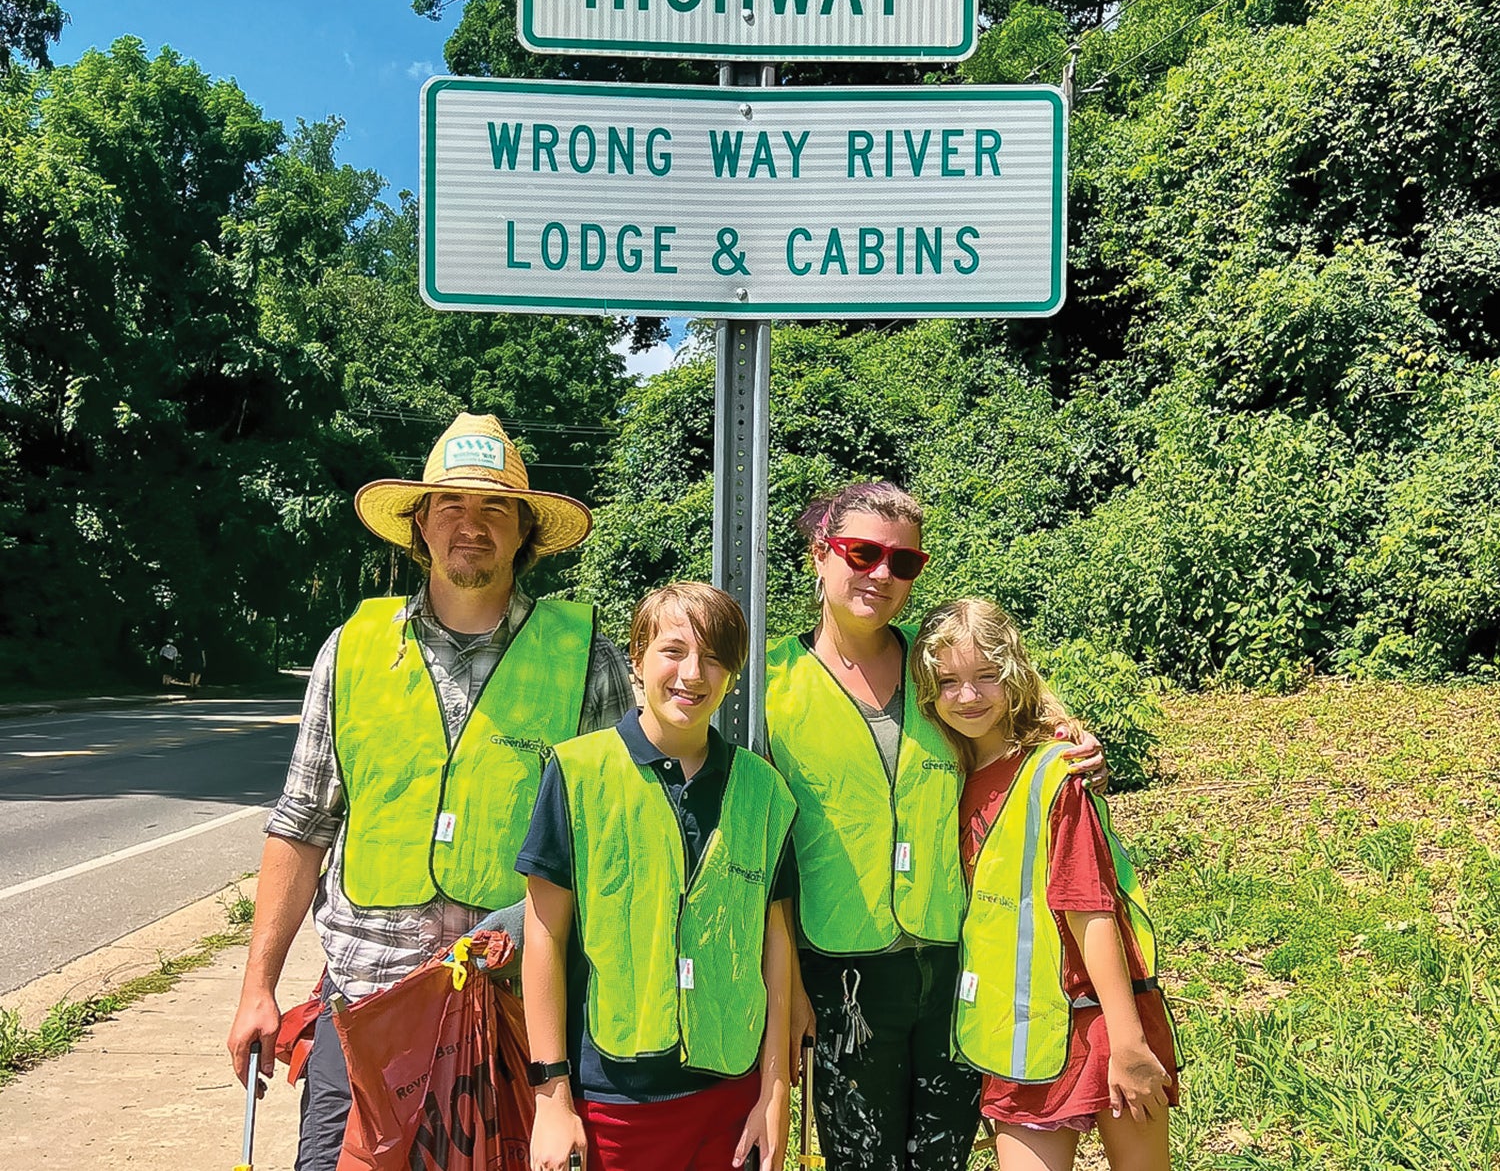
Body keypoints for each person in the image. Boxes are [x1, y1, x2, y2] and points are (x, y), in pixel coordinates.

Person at [225, 413, 635, 1171]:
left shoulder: (590, 663)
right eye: (449, 505)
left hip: (515, 1019)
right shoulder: (350, 650)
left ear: (525, 534)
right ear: (420, 525)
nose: (469, 525)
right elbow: (302, 823)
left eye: (494, 509)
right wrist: (259, 987)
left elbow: (614, 854)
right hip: (364, 1010)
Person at [762, 481, 1106, 1171]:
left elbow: (1027, 720)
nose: (881, 574)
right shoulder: (766, 681)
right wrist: (787, 986)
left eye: (904, 562)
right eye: (862, 554)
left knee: (942, 1160)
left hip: (956, 962)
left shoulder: (942, 661)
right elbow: (762, 847)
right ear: (817, 555)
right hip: (839, 972)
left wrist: (1074, 736)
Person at [518, 582, 797, 1171]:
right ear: (637, 656)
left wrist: (775, 1094)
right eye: (673, 650)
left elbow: (776, 943)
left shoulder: (763, 789)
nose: (693, 674)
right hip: (616, 1100)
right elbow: (544, 935)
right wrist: (551, 1096)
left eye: (715, 657)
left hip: (732, 1097)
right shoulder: (577, 772)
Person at [912, 598, 1179, 1171]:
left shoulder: (1056, 771)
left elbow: (1090, 906)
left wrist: (1129, 1043)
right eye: (950, 680)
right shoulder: (947, 774)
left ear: (1014, 676)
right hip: (1021, 1032)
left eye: (987, 676)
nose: (969, 695)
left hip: (1101, 1018)